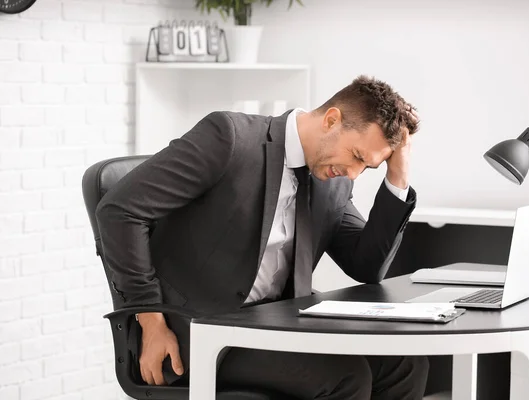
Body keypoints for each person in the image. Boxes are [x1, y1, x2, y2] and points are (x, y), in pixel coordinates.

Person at [96, 75, 428, 400]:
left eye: (366, 167)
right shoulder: (230, 137)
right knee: (345, 379)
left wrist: (398, 177)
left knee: (404, 364)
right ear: (331, 120)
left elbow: (367, 265)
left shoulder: (335, 180)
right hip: (199, 324)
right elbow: (119, 211)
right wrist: (150, 321)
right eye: (356, 156)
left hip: (274, 320)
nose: (354, 173)